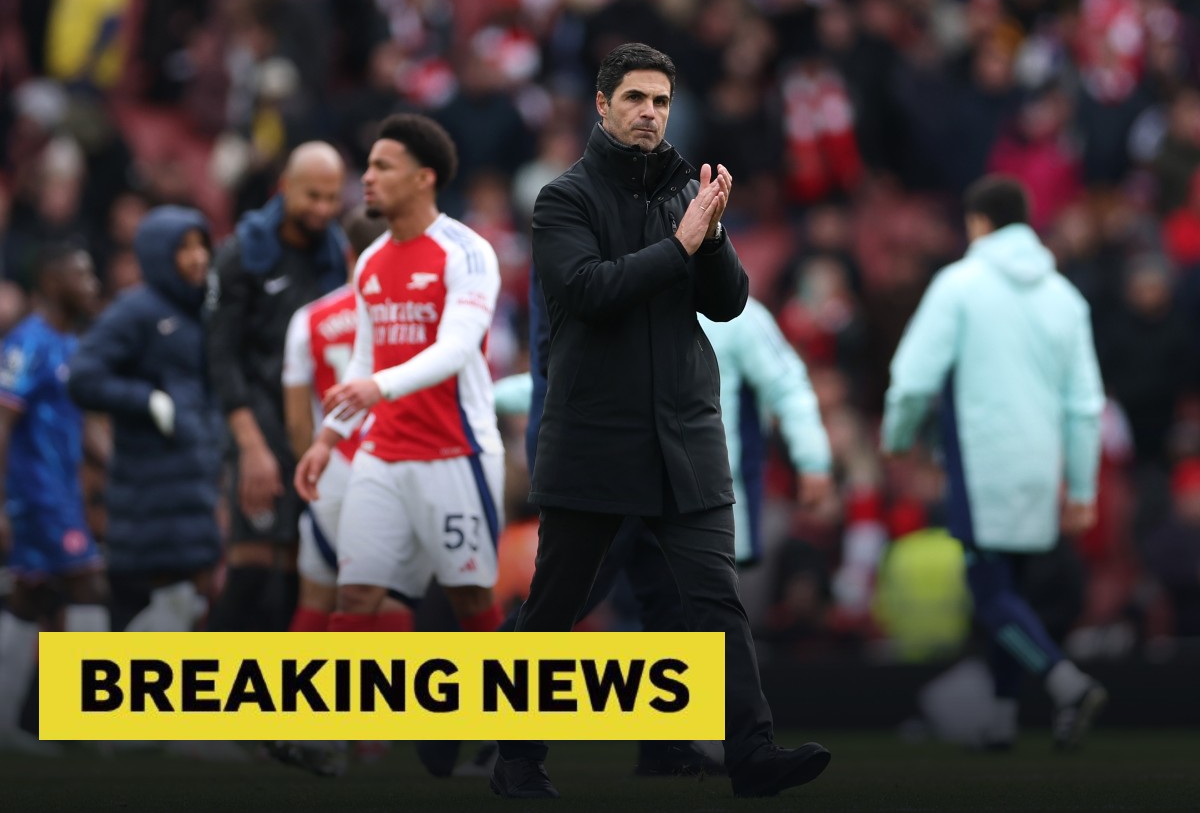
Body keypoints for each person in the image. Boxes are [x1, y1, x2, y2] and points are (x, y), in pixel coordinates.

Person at [490, 42, 831, 800]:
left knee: (715, 600)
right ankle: (515, 754)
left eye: (662, 102)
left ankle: (752, 751)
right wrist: (682, 242)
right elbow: (587, 291)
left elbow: (728, 300)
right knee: (555, 608)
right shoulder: (562, 200)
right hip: (595, 440)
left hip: (686, 435)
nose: (650, 113)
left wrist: (710, 237)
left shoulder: (688, 190)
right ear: (603, 106)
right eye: (636, 98)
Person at [881, 175, 1109, 750]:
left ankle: (1066, 683)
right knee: (1015, 592)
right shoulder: (1065, 297)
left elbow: (912, 379)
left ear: (977, 223)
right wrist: (1081, 487)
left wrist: (897, 435)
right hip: (1041, 467)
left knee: (991, 595)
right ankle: (1003, 720)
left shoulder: (960, 285)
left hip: (982, 467)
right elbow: (1085, 406)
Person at [294, 114, 505, 637]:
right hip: (382, 453)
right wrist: (327, 439)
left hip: (454, 451)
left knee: (471, 598)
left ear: (422, 178)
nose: (366, 177)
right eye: (366, 166)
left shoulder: (468, 252)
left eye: (383, 166)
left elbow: (456, 349)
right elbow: (367, 359)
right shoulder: (369, 262)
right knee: (357, 595)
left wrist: (378, 387)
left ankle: (510, 715)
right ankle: (343, 720)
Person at [206, 142, 348, 631]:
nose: (323, 210)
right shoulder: (242, 252)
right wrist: (250, 447)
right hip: (256, 427)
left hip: (308, 432)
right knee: (250, 571)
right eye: (313, 196)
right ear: (285, 187)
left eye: (332, 199)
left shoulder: (334, 252)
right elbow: (221, 357)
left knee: (296, 574)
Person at [68, 206, 222, 632]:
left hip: (194, 496)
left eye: (201, 245)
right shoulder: (134, 311)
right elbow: (83, 378)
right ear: (158, 254)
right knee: (134, 619)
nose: (197, 258)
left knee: (185, 619)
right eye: (184, 248)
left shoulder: (203, 311)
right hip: (146, 503)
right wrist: (148, 400)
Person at [0, 244, 107, 754]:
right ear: (50, 278)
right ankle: (85, 720)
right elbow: (2, 423)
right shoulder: (28, 343)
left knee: (31, 598)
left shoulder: (70, 344)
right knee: (88, 585)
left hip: (60, 490)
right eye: (80, 272)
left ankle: (7, 721)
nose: (91, 282)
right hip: (37, 494)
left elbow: (79, 429)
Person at [281, 207, 389, 635]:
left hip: (329, 471)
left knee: (317, 598)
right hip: (388, 466)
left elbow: (295, 422)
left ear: (347, 251)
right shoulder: (408, 316)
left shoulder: (309, 319)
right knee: (387, 599)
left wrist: (312, 471)